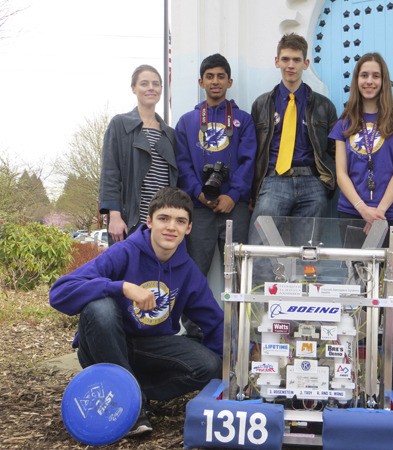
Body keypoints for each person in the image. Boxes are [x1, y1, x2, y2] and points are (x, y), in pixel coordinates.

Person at [49, 187, 224, 436]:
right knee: (101, 308)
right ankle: (133, 411)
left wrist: (229, 376)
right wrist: (122, 288)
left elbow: (215, 322)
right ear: (149, 221)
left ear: (189, 229)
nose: (171, 227)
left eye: (180, 221)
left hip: (148, 350)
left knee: (208, 364)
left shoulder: (188, 270)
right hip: (104, 347)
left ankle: (135, 393)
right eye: (164, 218)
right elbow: (60, 292)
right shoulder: (124, 252)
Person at [329, 52, 393, 344]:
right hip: (352, 213)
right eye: (364, 75)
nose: (369, 81)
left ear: (384, 80)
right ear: (357, 80)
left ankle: (386, 350)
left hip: (389, 214)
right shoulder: (344, 123)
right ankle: (356, 348)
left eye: (375, 75)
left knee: (389, 282)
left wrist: (377, 211)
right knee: (355, 282)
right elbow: (341, 173)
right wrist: (362, 209)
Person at [248, 33, 338, 251]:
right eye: (286, 59)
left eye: (297, 60)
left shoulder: (324, 106)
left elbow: (335, 151)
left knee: (308, 252)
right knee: (260, 248)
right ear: (276, 61)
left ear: (306, 64)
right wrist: (252, 192)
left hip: (312, 183)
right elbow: (253, 152)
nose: (291, 65)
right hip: (273, 181)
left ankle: (304, 285)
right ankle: (258, 286)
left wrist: (325, 182)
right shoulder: (262, 104)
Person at [175, 53, 256, 275]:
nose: (215, 81)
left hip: (235, 207)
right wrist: (198, 193)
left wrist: (234, 195)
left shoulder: (244, 120)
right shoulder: (187, 121)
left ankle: (240, 312)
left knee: (240, 274)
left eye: (221, 76)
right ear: (201, 82)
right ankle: (190, 311)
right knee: (194, 272)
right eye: (209, 76)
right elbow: (182, 164)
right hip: (199, 208)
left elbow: (249, 161)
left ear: (230, 82)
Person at [99, 64, 178, 246]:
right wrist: (115, 216)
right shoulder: (120, 125)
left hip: (163, 222)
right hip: (130, 221)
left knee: (158, 274)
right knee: (127, 273)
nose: (151, 88)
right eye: (144, 83)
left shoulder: (170, 134)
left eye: (156, 84)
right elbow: (110, 172)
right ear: (134, 88)